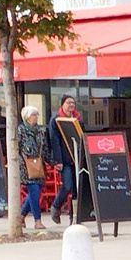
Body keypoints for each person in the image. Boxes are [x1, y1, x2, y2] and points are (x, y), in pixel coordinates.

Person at [16, 105, 52, 231]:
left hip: (38, 166)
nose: (35, 117)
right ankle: (37, 220)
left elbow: (45, 148)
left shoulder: (41, 131)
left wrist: (52, 162)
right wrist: (21, 163)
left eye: (37, 114)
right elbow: (16, 148)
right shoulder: (20, 130)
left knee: (34, 193)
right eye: (33, 115)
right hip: (25, 166)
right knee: (34, 192)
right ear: (26, 117)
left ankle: (21, 216)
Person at [49, 95, 81, 224]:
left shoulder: (78, 119)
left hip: (77, 159)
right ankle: (56, 206)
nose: (71, 105)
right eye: (68, 103)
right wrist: (57, 160)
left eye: (73, 103)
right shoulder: (56, 120)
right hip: (64, 159)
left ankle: (73, 219)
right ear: (62, 104)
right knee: (67, 185)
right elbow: (54, 141)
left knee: (76, 190)